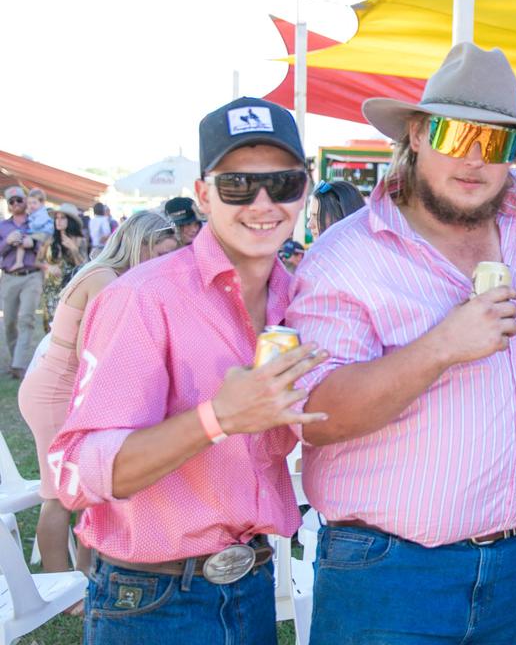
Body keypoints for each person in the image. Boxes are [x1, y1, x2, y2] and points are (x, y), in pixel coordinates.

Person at [288, 42, 516, 644]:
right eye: (457, 134)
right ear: (417, 135)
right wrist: (440, 347)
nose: (476, 159)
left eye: (497, 143)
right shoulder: (344, 259)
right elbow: (316, 415)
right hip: (390, 575)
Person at [49, 96, 328, 644]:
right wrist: (217, 417)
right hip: (154, 601)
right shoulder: (144, 299)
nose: (263, 203)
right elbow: (78, 473)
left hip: (251, 585)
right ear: (203, 194)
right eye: (238, 186)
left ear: (305, 187)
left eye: (284, 183)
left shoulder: (297, 299)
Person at [19, 211, 177, 574]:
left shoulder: (113, 276)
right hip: (56, 391)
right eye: (161, 255)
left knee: (92, 488)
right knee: (59, 494)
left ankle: (87, 575)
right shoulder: (106, 279)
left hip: (68, 388)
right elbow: (90, 350)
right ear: (140, 245)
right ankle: (59, 583)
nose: (165, 264)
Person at [0, 186, 44, 379]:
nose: (16, 204)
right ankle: (14, 360)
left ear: (25, 201)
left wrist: (33, 244)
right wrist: (7, 242)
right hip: (10, 276)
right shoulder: (2, 226)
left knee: (26, 319)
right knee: (9, 322)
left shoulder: (36, 222)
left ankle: (19, 364)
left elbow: (48, 245)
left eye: (19, 200)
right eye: (12, 202)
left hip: (32, 275)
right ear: (8, 206)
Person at [40, 205, 86, 320]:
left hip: (70, 287)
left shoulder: (80, 240)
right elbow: (37, 261)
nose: (58, 221)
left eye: (62, 218)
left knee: (66, 322)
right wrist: (48, 267)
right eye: (56, 218)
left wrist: (74, 250)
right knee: (50, 324)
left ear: (70, 221)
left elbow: (84, 267)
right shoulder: (50, 239)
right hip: (51, 288)